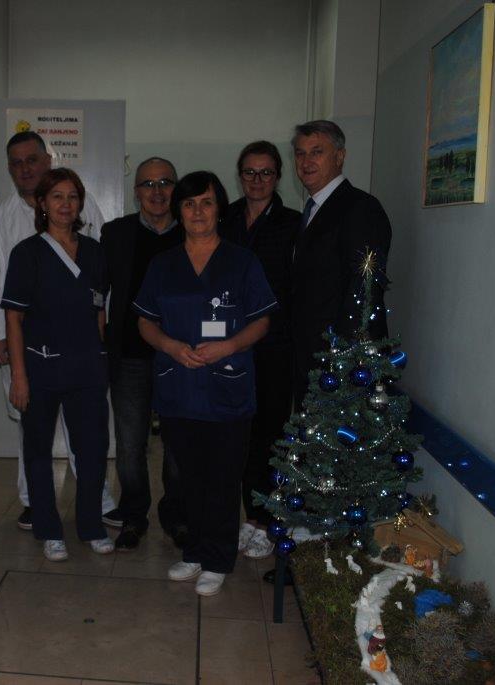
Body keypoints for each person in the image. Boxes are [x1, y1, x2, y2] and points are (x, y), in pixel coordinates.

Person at [134, 171, 276, 597]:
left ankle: (217, 558)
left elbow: (262, 320)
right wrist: (171, 346)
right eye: (189, 203)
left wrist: (229, 345)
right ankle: (195, 551)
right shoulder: (163, 265)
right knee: (187, 476)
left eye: (207, 202)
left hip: (226, 385)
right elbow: (145, 322)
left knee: (223, 476)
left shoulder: (242, 262)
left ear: (219, 209)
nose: (198, 211)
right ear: (179, 211)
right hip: (178, 385)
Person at [0, 131, 120, 531]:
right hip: (27, 342)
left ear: (47, 159)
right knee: (32, 430)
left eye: (32, 160)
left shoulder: (82, 207)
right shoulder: (2, 215)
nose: (25, 168)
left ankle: (98, 501)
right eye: (16, 163)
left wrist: (102, 340)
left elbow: (99, 277)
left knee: (86, 432)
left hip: (80, 344)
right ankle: (32, 503)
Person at [1, 168, 115, 561]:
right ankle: (49, 528)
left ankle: (91, 525)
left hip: (88, 367)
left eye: (73, 197)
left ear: (81, 203)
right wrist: (19, 376)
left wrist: (101, 355)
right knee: (37, 450)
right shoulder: (27, 254)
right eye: (57, 197)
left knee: (93, 448)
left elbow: (99, 309)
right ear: (42, 204)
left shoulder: (95, 252)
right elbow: (13, 317)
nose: (66, 204)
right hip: (42, 366)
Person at [100, 157, 187, 551]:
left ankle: (176, 515)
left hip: (179, 358)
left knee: (178, 445)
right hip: (130, 357)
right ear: (136, 192)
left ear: (176, 189)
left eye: (165, 182)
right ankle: (134, 515)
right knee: (130, 445)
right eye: (148, 184)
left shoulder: (191, 230)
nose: (157, 191)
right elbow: (99, 293)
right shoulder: (115, 233)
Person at [220, 141, 301, 560]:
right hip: (228, 344)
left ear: (278, 177)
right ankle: (240, 517)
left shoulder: (294, 224)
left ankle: (264, 520)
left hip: (274, 346)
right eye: (249, 172)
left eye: (266, 172)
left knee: (270, 435)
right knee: (234, 434)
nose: (257, 180)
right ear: (239, 176)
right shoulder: (225, 218)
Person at [290, 120, 392, 404]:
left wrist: (343, 358)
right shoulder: (312, 210)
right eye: (300, 153)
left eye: (317, 152)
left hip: (342, 366)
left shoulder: (360, 208)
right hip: (310, 356)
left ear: (340, 156)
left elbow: (364, 290)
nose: (306, 161)